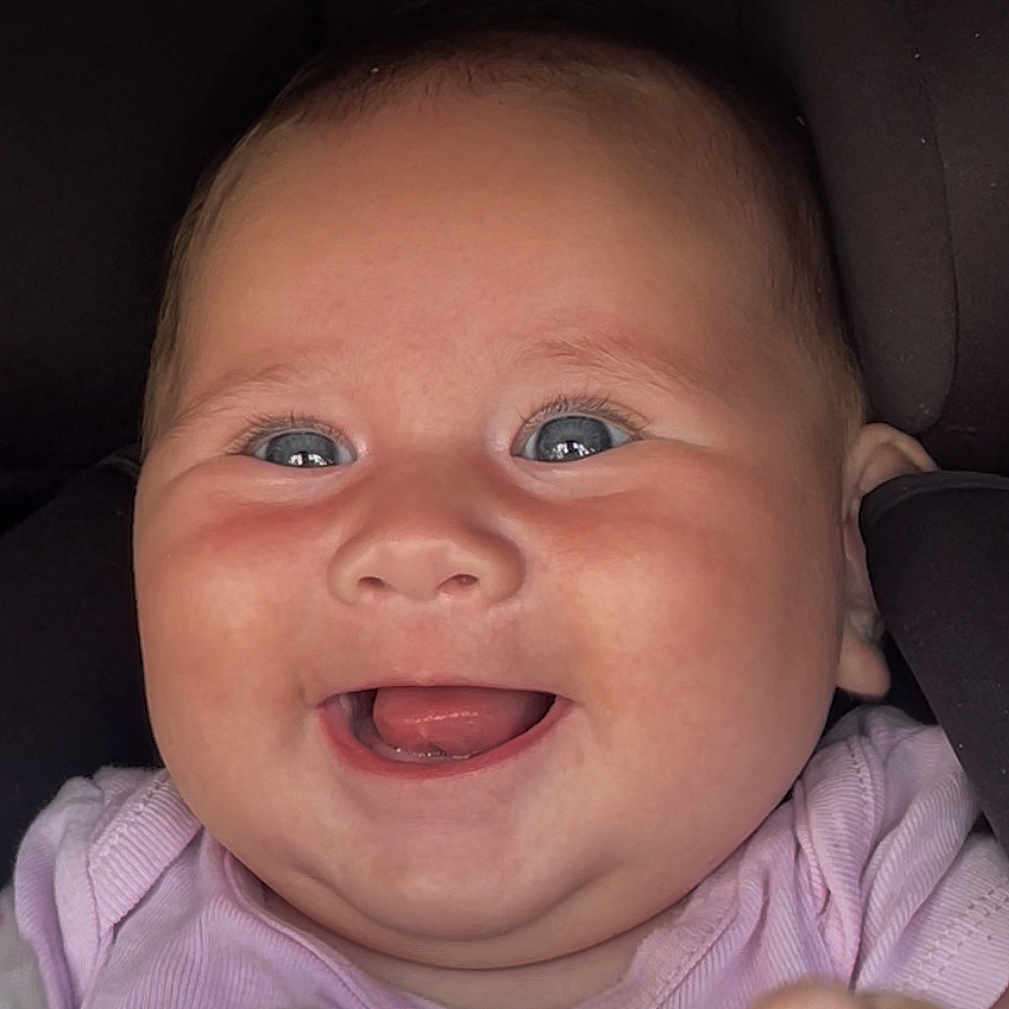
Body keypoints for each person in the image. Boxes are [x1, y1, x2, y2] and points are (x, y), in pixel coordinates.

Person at [4, 12, 1009, 1009]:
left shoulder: (882, 883)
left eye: (571, 438)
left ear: (846, 559)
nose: (412, 540)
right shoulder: (97, 901)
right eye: (293, 449)